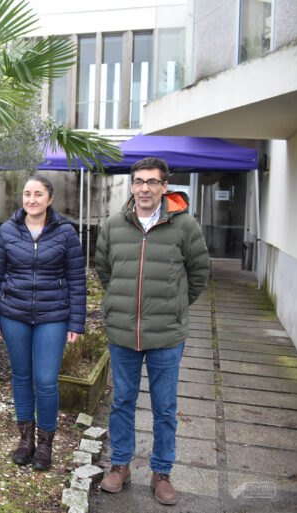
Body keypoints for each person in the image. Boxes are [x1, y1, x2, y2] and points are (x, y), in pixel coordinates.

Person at [95, 157, 209, 505]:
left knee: (165, 407)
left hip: (166, 335)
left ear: (164, 186)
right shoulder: (113, 225)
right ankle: (120, 465)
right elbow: (104, 270)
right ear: (132, 186)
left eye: (152, 182)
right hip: (123, 333)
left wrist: (175, 306)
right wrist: (120, 303)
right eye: (139, 181)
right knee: (122, 402)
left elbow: (199, 271)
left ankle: (162, 473)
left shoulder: (185, 226)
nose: (144, 188)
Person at [0, 175, 86, 470]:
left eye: (38, 194)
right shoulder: (7, 231)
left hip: (53, 316)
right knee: (21, 377)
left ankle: (45, 444)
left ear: (50, 199)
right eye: (27, 194)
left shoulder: (66, 233)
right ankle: (26, 440)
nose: (32, 199)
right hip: (13, 314)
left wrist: (76, 322)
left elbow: (77, 280)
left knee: (46, 380)